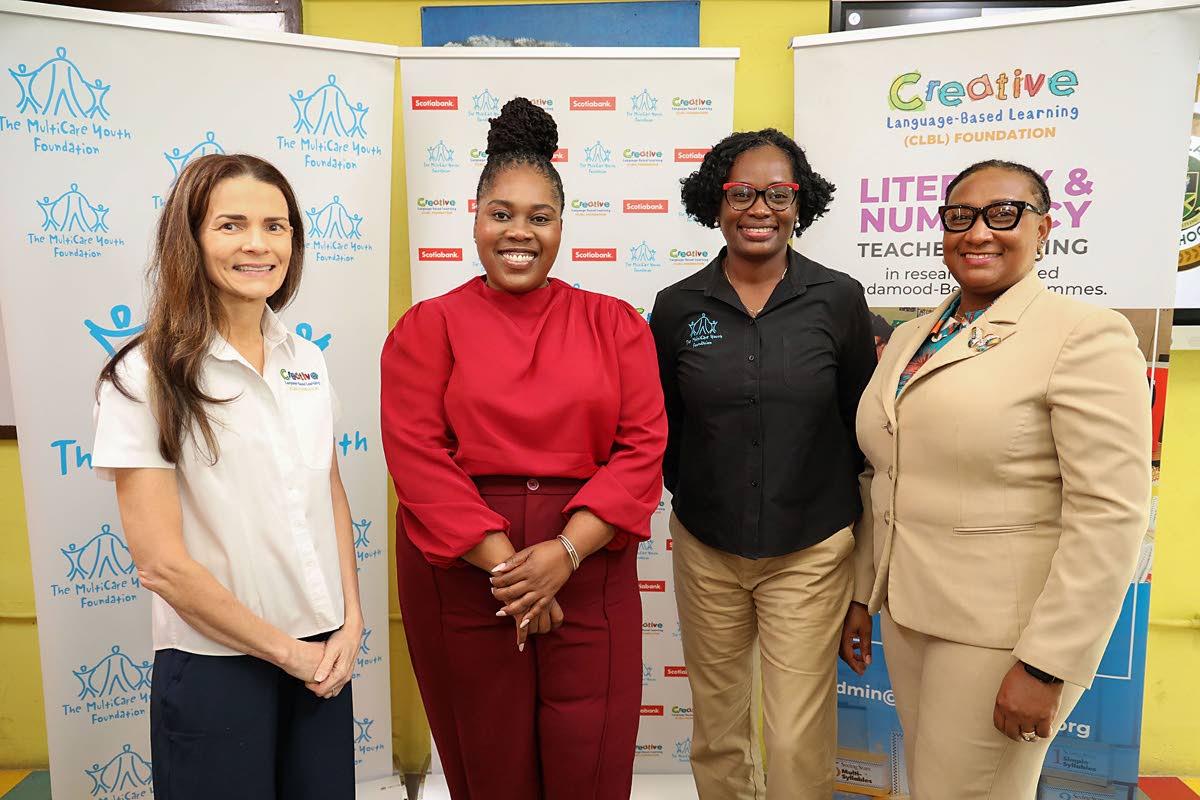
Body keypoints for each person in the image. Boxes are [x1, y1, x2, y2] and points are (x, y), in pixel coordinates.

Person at [381, 98, 667, 800]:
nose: (519, 233)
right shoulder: (428, 327)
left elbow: (641, 449)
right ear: (473, 217)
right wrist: (515, 572)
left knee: (589, 761)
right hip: (464, 569)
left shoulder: (615, 325)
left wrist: (562, 556)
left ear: (561, 226)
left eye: (539, 217)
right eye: (501, 213)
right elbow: (417, 459)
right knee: (488, 763)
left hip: (588, 561)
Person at [840, 159, 1150, 799]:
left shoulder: (1083, 335)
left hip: (1001, 637)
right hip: (909, 613)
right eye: (960, 217)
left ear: (1044, 230)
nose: (978, 231)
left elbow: (1111, 513)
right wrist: (863, 595)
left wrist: (1047, 664)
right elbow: (886, 473)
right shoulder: (915, 335)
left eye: (1003, 214)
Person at [92, 154, 361, 800]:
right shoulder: (144, 375)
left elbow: (329, 494)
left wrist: (349, 622)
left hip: (320, 660)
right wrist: (285, 652)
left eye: (277, 226)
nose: (257, 245)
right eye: (231, 225)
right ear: (190, 238)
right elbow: (160, 564)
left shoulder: (308, 361)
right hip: (215, 668)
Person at [649, 129, 876, 799]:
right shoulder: (676, 307)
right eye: (742, 192)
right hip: (707, 547)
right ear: (715, 204)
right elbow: (666, 427)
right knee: (719, 732)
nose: (760, 208)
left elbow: (861, 429)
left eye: (779, 193)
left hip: (810, 550)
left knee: (794, 738)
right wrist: (698, 493)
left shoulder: (838, 299)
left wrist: (860, 566)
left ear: (799, 204)